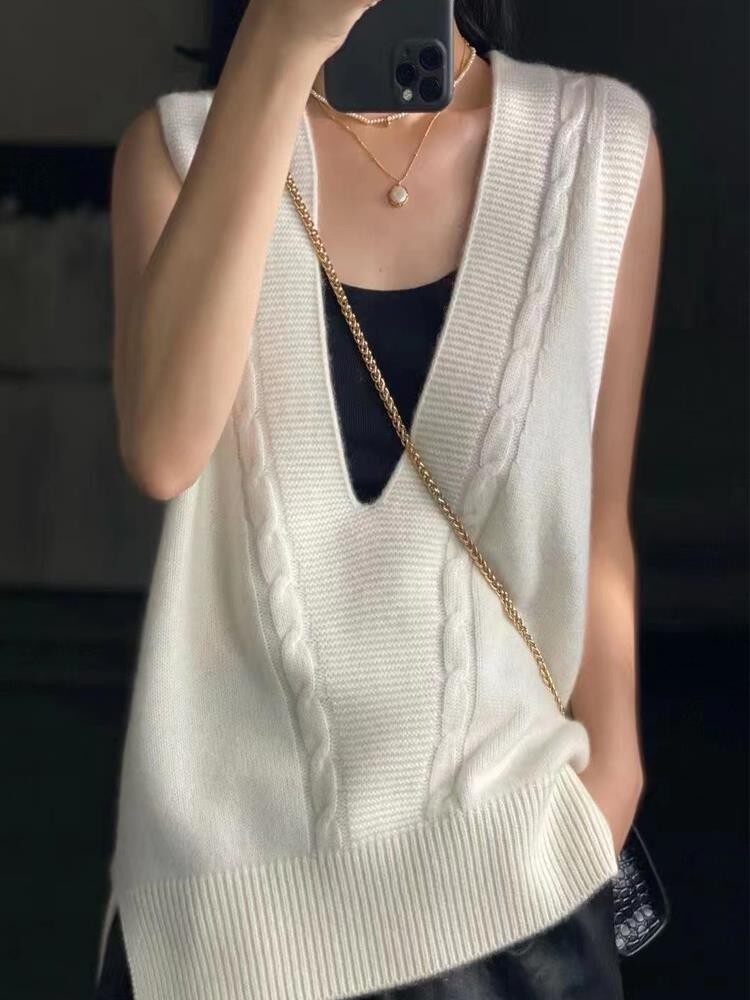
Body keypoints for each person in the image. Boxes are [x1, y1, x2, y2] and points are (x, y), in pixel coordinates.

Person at [96, 0, 664, 997]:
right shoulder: (174, 151)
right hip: (232, 926)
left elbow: (598, 520)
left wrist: (611, 779)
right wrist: (277, 48)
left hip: (514, 898)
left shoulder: (598, 147)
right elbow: (163, 451)